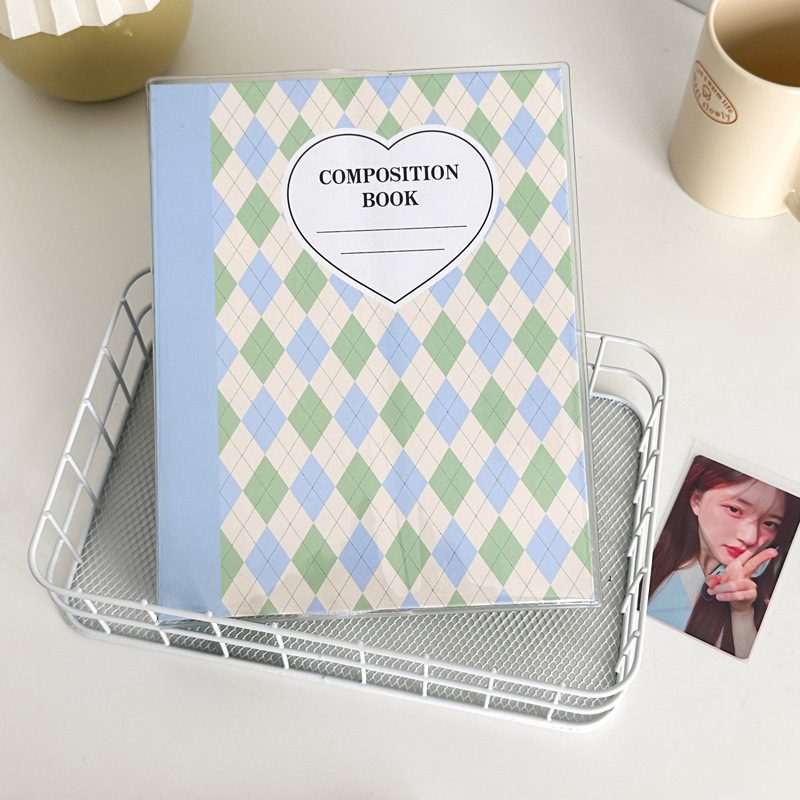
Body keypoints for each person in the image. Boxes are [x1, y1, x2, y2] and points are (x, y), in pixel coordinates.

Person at [648, 455, 800, 658]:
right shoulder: (647, 549)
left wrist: (742, 613)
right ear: (697, 500)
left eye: (769, 523)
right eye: (735, 510)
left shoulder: (772, 605)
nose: (750, 537)